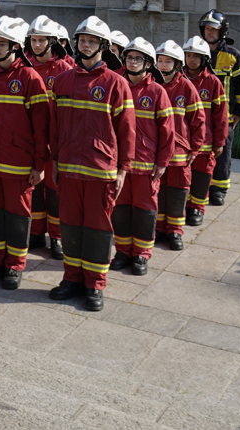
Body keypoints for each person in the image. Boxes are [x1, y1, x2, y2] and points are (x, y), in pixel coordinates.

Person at [49, 16, 134, 312]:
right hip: (70, 168)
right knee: (70, 226)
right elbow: (55, 126)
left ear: (103, 46)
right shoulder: (62, 81)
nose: (85, 45)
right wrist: (55, 161)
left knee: (98, 229)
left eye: (92, 41)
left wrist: (123, 169)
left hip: (102, 171)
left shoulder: (116, 84)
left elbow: (126, 130)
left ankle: (94, 285)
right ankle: (71, 279)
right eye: (82, 40)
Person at [0, 17, 50, 289]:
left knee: (17, 217)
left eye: (4, 44)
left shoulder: (30, 79)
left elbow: (42, 128)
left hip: (18, 165)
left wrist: (40, 165)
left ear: (17, 47)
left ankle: (14, 266)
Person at [110, 38, 172, 278]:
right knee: (121, 209)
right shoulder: (116, 85)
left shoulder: (157, 92)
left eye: (138, 58)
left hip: (146, 166)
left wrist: (162, 162)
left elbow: (167, 130)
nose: (132, 62)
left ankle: (142, 254)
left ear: (148, 64)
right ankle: (123, 251)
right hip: (119, 165)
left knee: (145, 211)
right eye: (129, 58)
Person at [25, 15, 71, 259]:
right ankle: (36, 233)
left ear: (53, 42)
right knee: (34, 189)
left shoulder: (65, 70)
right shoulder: (26, 67)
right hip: (31, 139)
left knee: (54, 192)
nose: (37, 45)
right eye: (34, 40)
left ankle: (57, 237)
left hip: (55, 141)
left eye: (42, 40)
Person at [152, 40, 206, 250]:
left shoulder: (186, 87)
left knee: (178, 190)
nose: (163, 65)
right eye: (160, 60)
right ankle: (158, 228)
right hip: (156, 151)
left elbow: (198, 119)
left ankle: (175, 231)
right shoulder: (153, 86)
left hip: (180, 152)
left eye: (168, 61)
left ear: (177, 64)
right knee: (158, 190)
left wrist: (195, 148)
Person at [200, 10, 240, 206]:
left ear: (223, 31)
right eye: (207, 28)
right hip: (200, 116)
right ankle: (200, 187)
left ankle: (218, 190)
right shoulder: (195, 52)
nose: (210, 32)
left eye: (214, 29)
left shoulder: (233, 56)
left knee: (223, 155)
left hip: (225, 117)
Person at [181, 36, 228, 227]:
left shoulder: (213, 83)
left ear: (204, 59)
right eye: (188, 55)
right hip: (182, 141)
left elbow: (221, 115)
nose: (191, 60)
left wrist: (220, 141)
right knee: (183, 176)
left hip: (206, 142)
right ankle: (184, 206)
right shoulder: (178, 80)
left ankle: (197, 209)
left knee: (202, 176)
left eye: (196, 56)